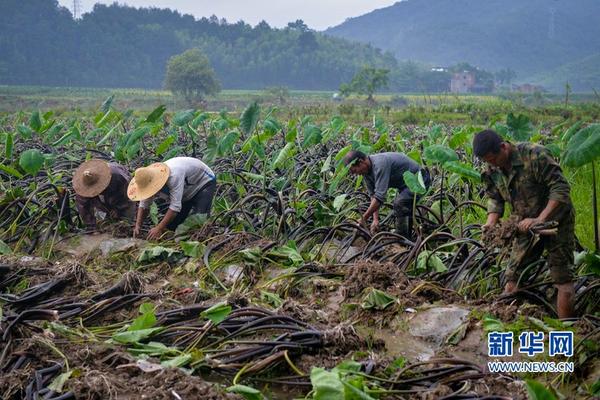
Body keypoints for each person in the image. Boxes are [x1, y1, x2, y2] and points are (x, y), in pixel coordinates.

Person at [473, 129, 575, 318]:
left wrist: (540, 219)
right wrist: (491, 223)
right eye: (487, 161)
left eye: (493, 159)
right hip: (524, 224)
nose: (491, 164)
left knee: (563, 279)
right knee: (513, 277)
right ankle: (512, 324)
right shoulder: (492, 168)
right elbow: (495, 198)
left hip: (556, 221)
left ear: (503, 147)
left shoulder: (535, 155)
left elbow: (560, 188)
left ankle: (566, 333)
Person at [343, 150, 431, 237]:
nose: (356, 174)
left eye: (355, 171)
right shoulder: (366, 172)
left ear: (361, 162)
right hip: (405, 186)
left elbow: (379, 198)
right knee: (404, 208)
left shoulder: (379, 164)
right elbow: (373, 195)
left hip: (420, 179)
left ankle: (402, 238)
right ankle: (408, 237)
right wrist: (375, 219)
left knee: (400, 203)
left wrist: (364, 219)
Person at [128, 157, 217, 240]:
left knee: (200, 220)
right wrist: (138, 226)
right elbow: (144, 205)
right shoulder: (147, 179)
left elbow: (175, 207)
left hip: (203, 181)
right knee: (172, 226)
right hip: (186, 189)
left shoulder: (174, 175)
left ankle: (204, 242)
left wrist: (158, 228)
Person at [73, 159, 136, 228]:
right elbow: (83, 207)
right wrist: (91, 226)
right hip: (104, 198)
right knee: (107, 222)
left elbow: (129, 195)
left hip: (122, 194)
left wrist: (118, 209)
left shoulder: (118, 176)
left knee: (125, 224)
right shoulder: (82, 188)